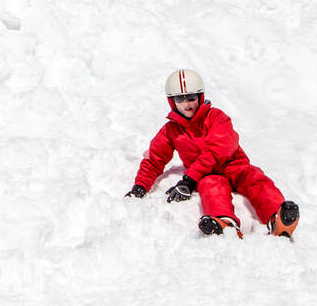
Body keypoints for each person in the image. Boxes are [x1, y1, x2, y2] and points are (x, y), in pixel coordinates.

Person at [125, 68, 300, 239]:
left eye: (191, 98)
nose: (187, 104)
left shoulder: (217, 118)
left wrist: (189, 179)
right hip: (206, 175)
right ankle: (225, 222)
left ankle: (278, 216)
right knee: (211, 186)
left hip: (234, 166)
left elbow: (217, 150)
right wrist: (140, 186)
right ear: (172, 101)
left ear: (200, 97)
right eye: (180, 99)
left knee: (254, 177)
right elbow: (155, 158)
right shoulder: (171, 130)